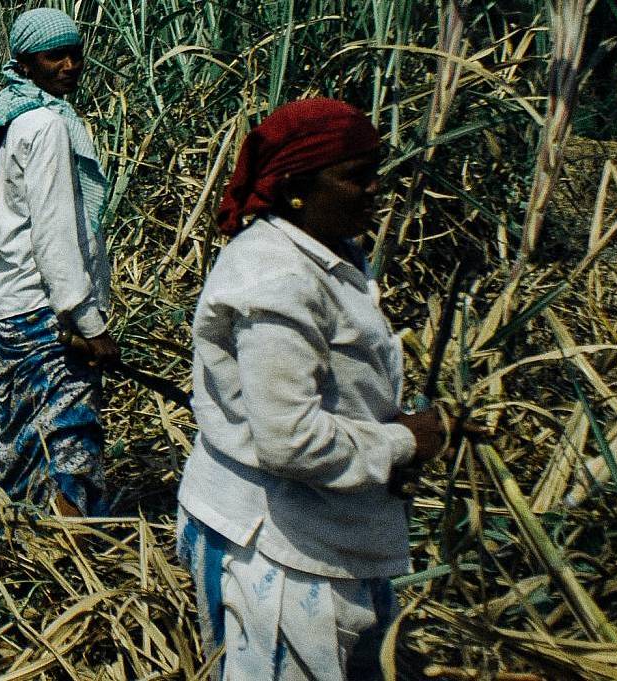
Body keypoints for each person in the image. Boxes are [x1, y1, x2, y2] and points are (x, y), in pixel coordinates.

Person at [177, 98, 452, 681]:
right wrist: (401, 443)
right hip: (277, 550)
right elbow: (289, 440)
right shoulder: (276, 280)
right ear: (296, 187)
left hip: (311, 529)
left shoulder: (325, 251)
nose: (376, 188)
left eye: (376, 170)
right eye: (356, 177)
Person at [0, 9, 116, 516]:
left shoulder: (16, 117)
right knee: (68, 438)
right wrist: (87, 319)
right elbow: (55, 235)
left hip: (15, 302)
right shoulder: (47, 127)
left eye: (76, 54)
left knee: (25, 430)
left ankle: (22, 534)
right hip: (47, 309)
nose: (70, 65)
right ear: (26, 63)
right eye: (55, 56)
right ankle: (72, 547)